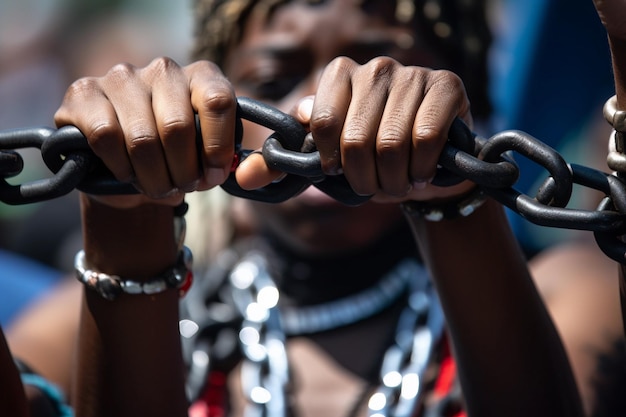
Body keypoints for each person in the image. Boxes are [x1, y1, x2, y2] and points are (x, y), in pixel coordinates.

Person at [4, 0, 625, 416]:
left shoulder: (570, 291)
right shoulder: (73, 324)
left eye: (382, 74)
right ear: (211, 103)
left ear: (466, 100)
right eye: (274, 83)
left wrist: (453, 199)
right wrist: (124, 216)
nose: (317, 114)